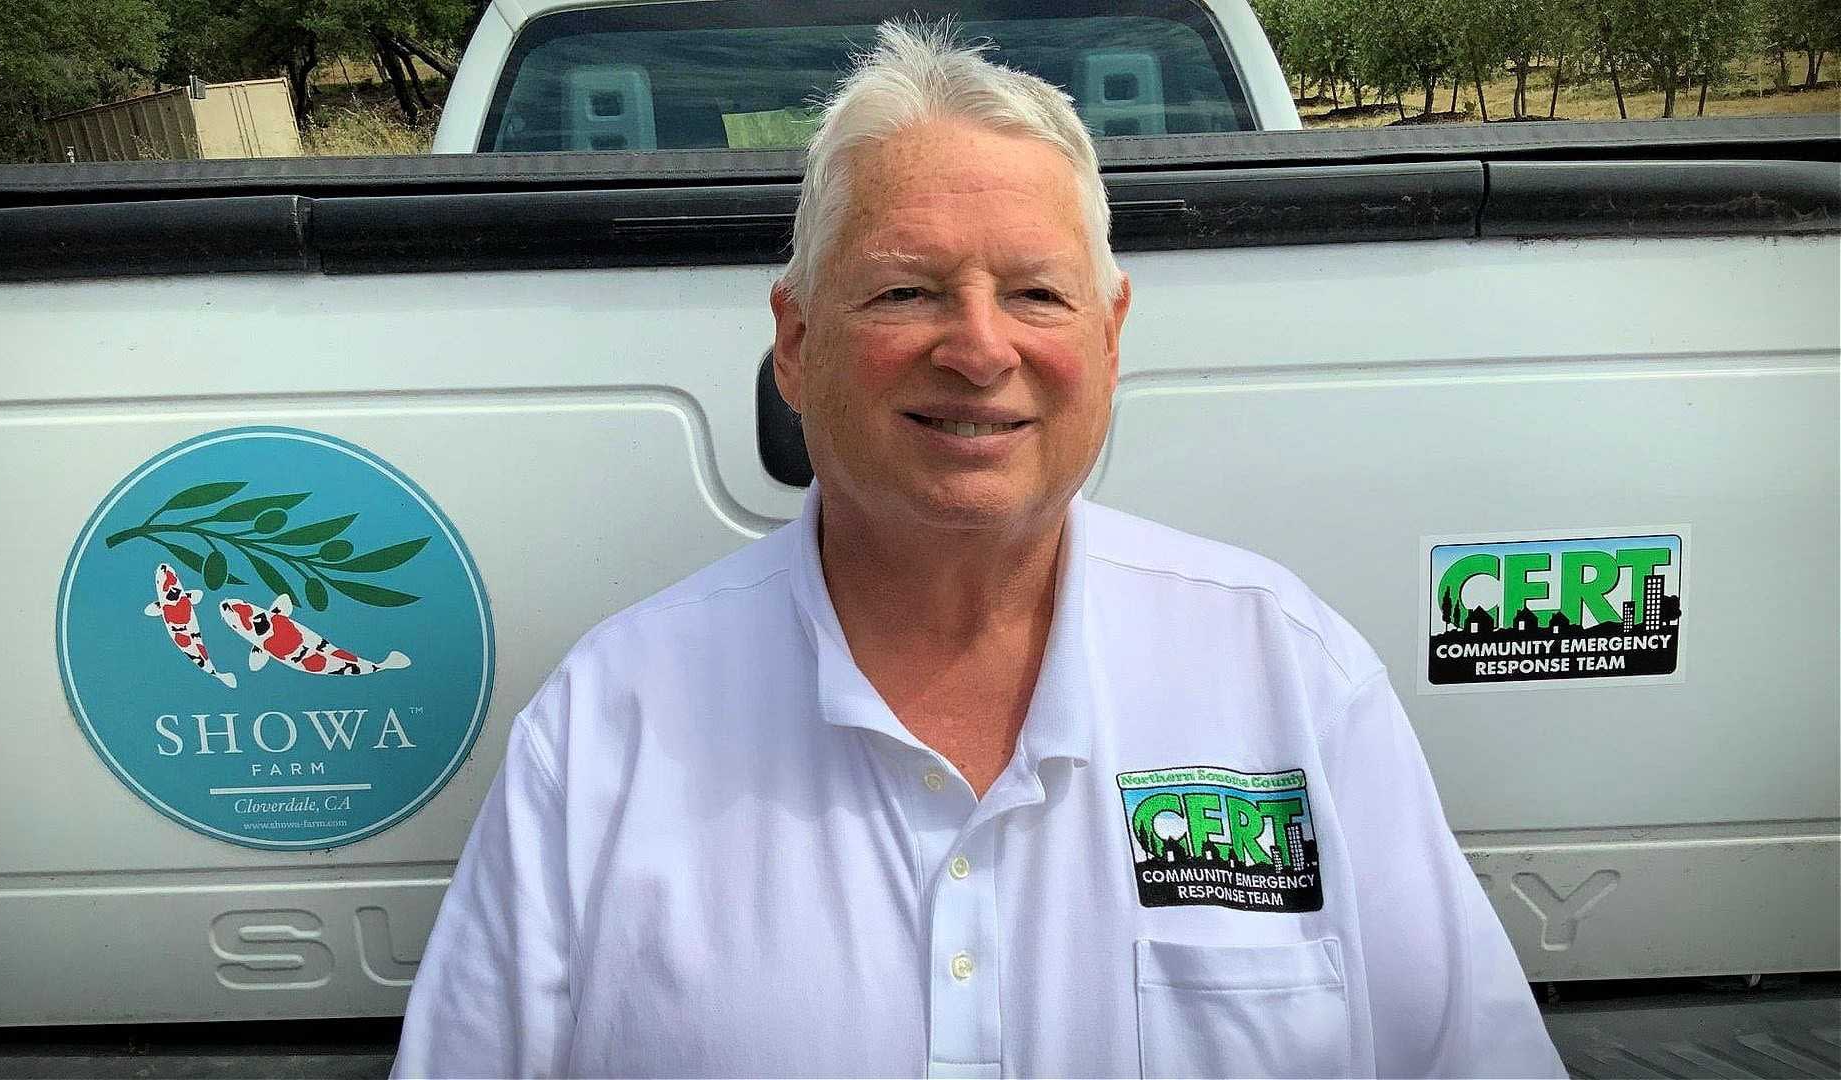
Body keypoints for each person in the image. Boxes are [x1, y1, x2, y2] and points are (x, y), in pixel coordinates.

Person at [391, 22, 1565, 1079]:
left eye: (1039, 296)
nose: (979, 347)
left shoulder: (1290, 675)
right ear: (795, 346)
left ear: (1109, 340)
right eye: (906, 290)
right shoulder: (606, 730)